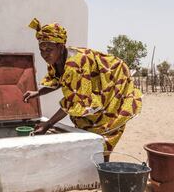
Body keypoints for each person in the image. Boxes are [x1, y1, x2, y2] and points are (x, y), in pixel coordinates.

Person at [23, 18, 142, 162]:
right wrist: (38, 93)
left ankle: (103, 167)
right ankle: (96, 164)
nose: (45, 54)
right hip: (95, 87)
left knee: (104, 128)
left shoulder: (75, 65)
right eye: (41, 50)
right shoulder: (56, 60)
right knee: (85, 122)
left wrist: (48, 124)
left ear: (61, 47)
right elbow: (58, 80)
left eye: (49, 49)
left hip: (113, 83)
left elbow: (74, 101)